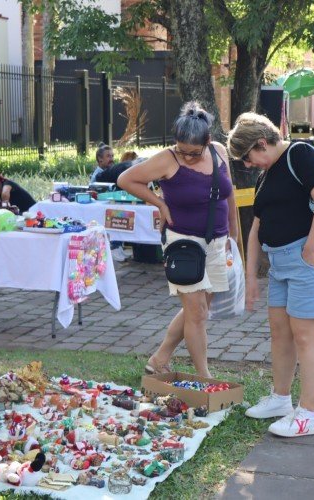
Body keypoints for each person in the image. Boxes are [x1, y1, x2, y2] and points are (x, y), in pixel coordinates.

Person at [228, 112, 314, 438]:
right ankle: (281, 398)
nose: (248, 165)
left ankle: (308, 414)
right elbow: (257, 227)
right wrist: (251, 276)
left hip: (304, 260)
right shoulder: (268, 172)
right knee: (280, 333)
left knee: (307, 336)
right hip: (279, 264)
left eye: (248, 157)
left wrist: (310, 250)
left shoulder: (299, 154)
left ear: (261, 143)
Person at [118, 102, 238, 379]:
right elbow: (127, 179)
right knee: (197, 314)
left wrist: (233, 234)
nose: (187, 157)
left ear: (207, 141)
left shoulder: (219, 152)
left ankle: (159, 358)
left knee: (198, 309)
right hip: (184, 244)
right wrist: (159, 203)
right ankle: (204, 377)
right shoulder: (167, 159)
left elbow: (228, 195)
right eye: (182, 149)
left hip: (217, 240)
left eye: (194, 153)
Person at [91, 143, 128, 262]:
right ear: (100, 159)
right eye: (108, 156)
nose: (112, 159)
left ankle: (118, 247)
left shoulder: (110, 172)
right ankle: (114, 248)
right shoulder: (98, 176)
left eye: (112, 155)